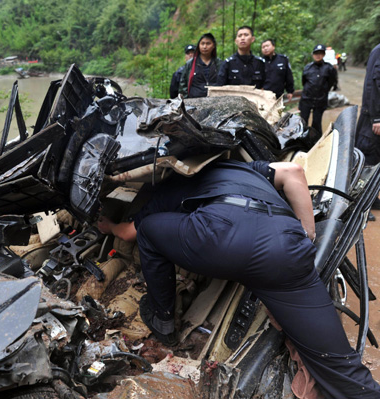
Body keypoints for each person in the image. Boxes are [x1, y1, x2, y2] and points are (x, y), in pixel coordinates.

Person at [98, 159, 380, 398]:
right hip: (283, 246)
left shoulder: (162, 189)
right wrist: (306, 237)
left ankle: (163, 320)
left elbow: (128, 233)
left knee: (147, 229)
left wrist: (109, 225)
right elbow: (294, 172)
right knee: (338, 363)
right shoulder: (241, 166)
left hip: (219, 239)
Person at [355, 44, 380, 210]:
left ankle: (372, 197)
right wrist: (376, 117)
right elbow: (373, 86)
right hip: (373, 116)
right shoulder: (379, 51)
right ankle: (361, 203)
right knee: (368, 159)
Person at [299, 44, 338, 134]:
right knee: (303, 121)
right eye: (316, 53)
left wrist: (323, 90)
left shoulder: (329, 68)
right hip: (306, 99)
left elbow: (331, 82)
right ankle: (301, 141)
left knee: (316, 122)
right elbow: (304, 82)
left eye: (320, 53)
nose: (318, 55)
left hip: (320, 99)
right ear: (313, 54)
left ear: (324, 55)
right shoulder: (307, 68)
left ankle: (316, 142)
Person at [177, 33, 222, 98]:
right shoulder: (191, 63)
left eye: (208, 43)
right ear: (198, 45)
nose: (205, 47)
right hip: (194, 100)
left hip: (215, 99)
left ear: (213, 46)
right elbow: (183, 83)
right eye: (202, 44)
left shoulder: (218, 63)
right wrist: (186, 99)